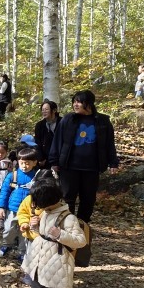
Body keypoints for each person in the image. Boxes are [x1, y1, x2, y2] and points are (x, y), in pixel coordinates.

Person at [19, 178, 88, 288]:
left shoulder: (68, 218)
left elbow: (80, 241)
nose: (34, 205)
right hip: (37, 259)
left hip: (56, 262)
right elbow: (42, 234)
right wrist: (34, 226)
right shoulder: (45, 213)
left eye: (36, 202)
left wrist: (60, 235)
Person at [48, 90, 119, 223]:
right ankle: (67, 225)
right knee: (68, 197)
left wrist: (113, 162)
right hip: (69, 167)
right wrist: (54, 161)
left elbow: (109, 143)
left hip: (92, 168)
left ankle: (82, 226)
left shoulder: (103, 121)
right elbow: (57, 141)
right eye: (74, 102)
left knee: (88, 199)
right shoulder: (68, 119)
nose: (76, 105)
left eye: (79, 102)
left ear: (89, 103)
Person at [0, 147, 40, 258]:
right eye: (22, 163)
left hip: (28, 210)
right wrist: (1, 207)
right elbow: (4, 191)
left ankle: (22, 252)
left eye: (27, 163)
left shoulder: (37, 177)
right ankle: (7, 244)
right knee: (9, 229)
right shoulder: (13, 175)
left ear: (34, 163)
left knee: (25, 231)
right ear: (18, 162)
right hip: (13, 209)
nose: (24, 166)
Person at [34, 101, 59, 167]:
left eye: (46, 109)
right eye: (42, 110)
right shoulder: (39, 125)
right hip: (44, 161)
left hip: (59, 160)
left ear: (54, 110)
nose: (44, 111)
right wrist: (41, 159)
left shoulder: (62, 122)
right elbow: (38, 143)